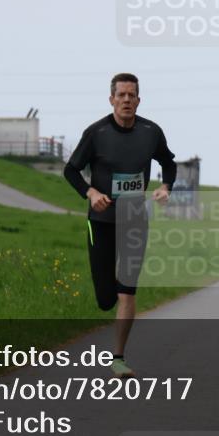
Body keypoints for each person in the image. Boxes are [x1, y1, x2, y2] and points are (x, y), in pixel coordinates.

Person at [63, 73, 176, 379]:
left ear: (139, 100)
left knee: (127, 291)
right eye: (121, 95)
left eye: (132, 95)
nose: (127, 100)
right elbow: (71, 170)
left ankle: (118, 358)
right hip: (100, 222)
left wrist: (166, 187)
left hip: (134, 221)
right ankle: (109, 295)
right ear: (111, 99)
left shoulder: (151, 132)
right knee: (105, 299)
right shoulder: (96, 133)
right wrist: (91, 192)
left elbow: (169, 162)